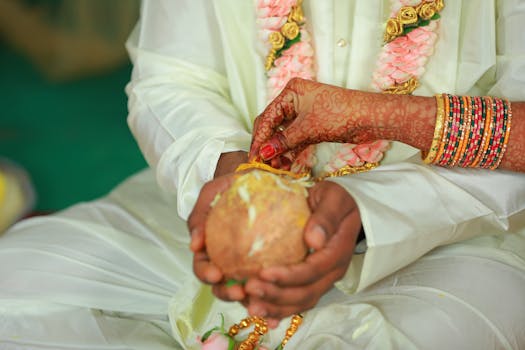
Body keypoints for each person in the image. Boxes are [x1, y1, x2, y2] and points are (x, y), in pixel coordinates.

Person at [1, 1, 525, 349]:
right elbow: (170, 78)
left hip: (458, 232)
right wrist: (222, 171)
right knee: (16, 289)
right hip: (209, 207)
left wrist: (370, 210)